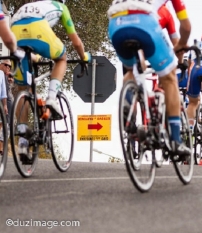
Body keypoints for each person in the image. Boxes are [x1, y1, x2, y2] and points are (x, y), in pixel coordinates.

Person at [108, 0, 192, 156]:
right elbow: (186, 27)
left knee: (131, 71)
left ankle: (129, 101)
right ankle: (176, 141)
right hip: (145, 24)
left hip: (116, 25)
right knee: (169, 77)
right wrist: (181, 46)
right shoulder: (166, 13)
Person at [11, 0, 91, 160]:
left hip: (15, 32)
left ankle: (23, 141)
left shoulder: (28, 7)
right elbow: (76, 41)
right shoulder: (61, 7)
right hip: (38, 28)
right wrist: (84, 57)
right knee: (62, 59)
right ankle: (52, 98)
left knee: (24, 89)